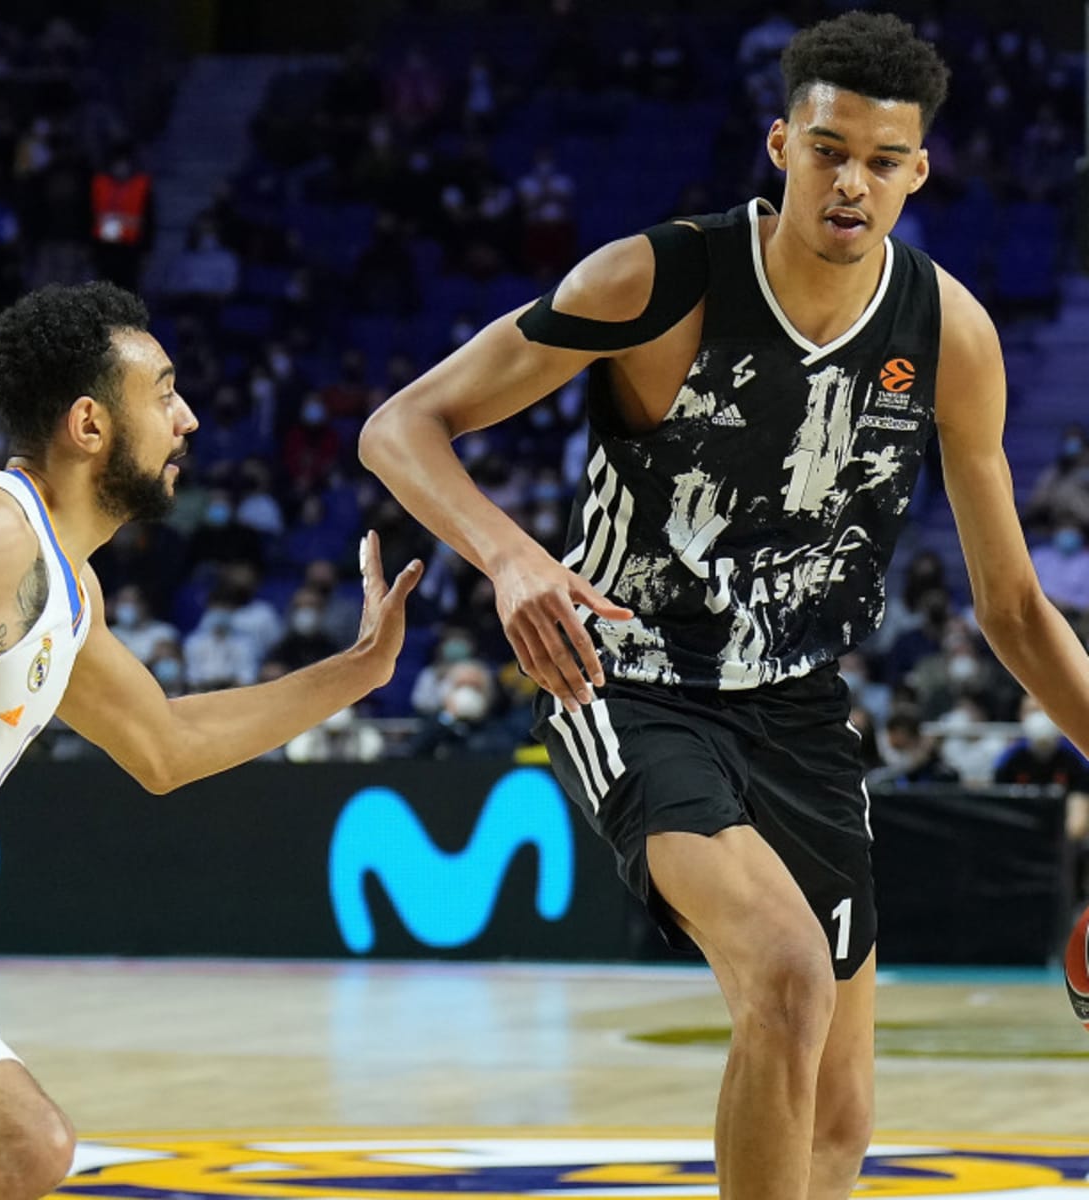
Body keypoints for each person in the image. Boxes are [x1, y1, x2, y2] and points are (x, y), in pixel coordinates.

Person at [359, 13, 1089, 1199]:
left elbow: (1011, 606)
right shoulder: (657, 279)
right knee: (788, 973)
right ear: (779, 144)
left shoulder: (952, 334)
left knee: (841, 1118)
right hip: (629, 683)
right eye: (826, 148)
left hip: (798, 709)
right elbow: (399, 426)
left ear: (919, 170)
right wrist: (510, 557)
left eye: (881, 159)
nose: (851, 180)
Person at [0, 280, 421, 1198]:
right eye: (164, 392)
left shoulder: (68, 592)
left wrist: (358, 673)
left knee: (21, 1147)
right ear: (90, 425)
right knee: (20, 1142)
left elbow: (166, 743)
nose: (189, 419)